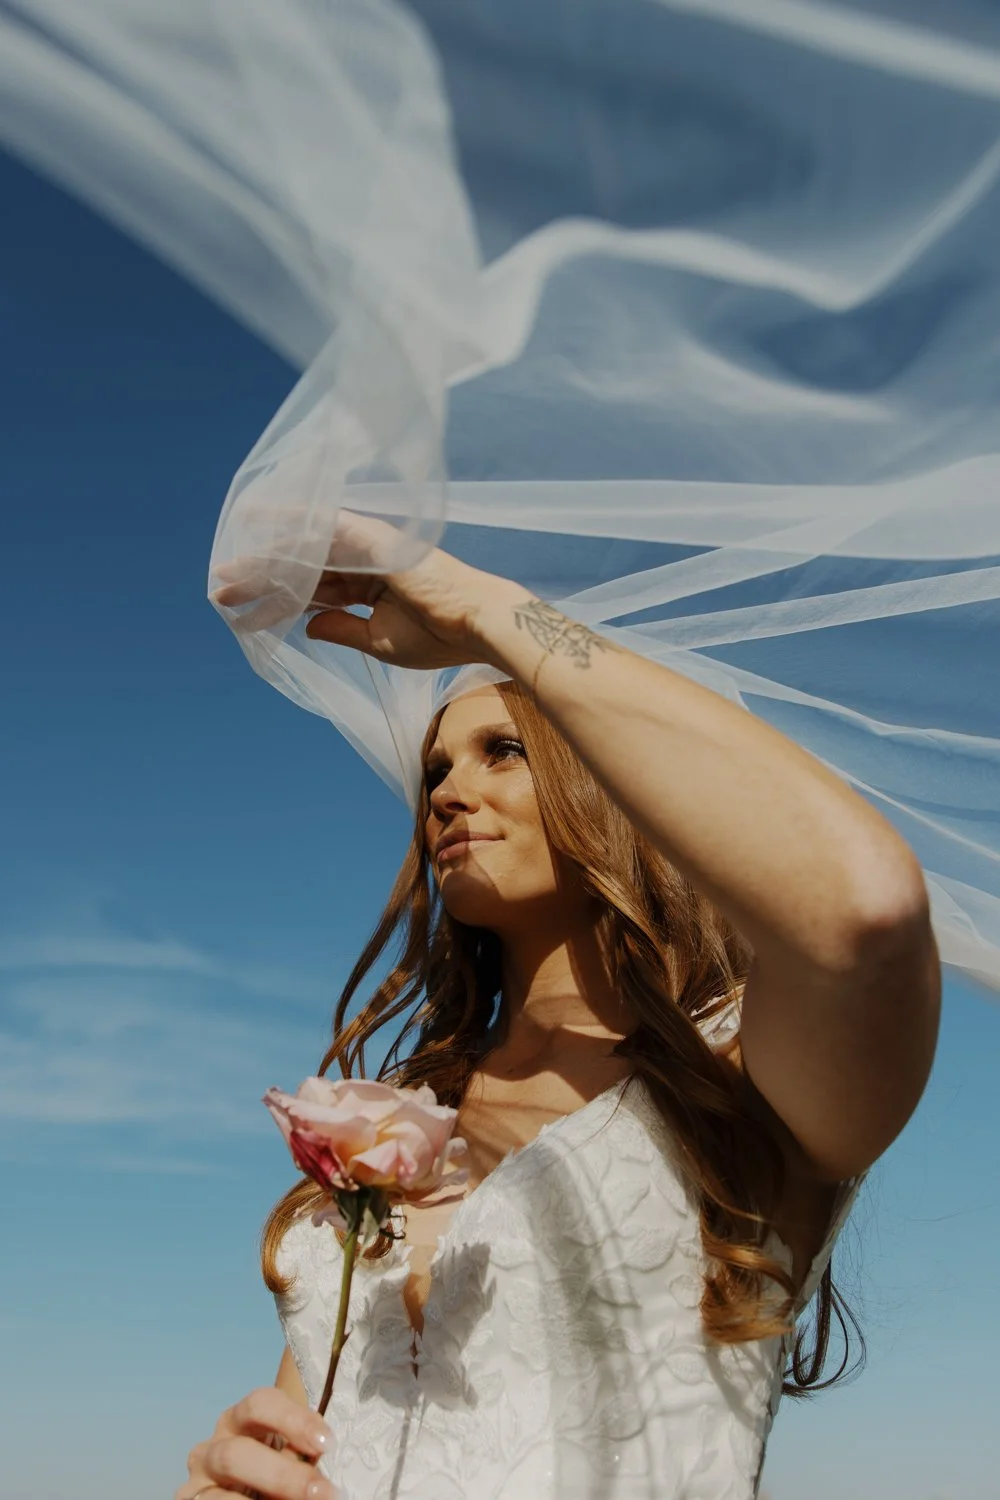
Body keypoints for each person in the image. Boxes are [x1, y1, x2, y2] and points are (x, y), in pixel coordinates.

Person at [179, 537, 940, 1500]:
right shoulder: (397, 1117)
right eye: (436, 769)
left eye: (505, 751)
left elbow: (864, 905)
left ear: (620, 785)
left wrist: (487, 613)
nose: (448, 790)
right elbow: (316, 1439)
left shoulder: (742, 1080)